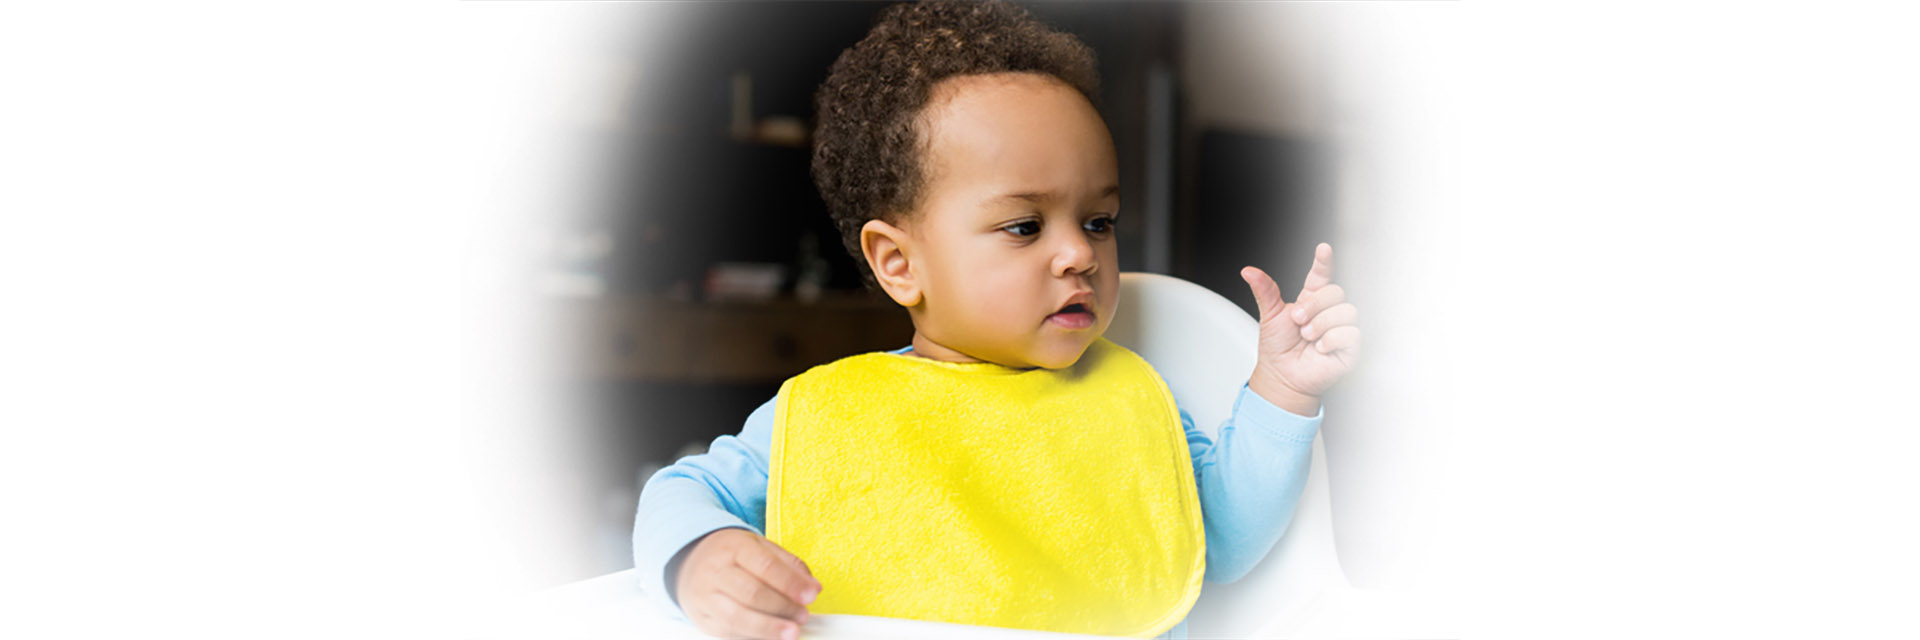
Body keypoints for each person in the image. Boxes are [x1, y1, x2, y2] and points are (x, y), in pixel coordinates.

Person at [632, 2, 1360, 639]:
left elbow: (1223, 542)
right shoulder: (830, 414)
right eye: (1023, 226)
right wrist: (701, 558)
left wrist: (1283, 388)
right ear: (899, 263)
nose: (1078, 252)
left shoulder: (1134, 400)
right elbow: (679, 493)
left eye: (1099, 220)